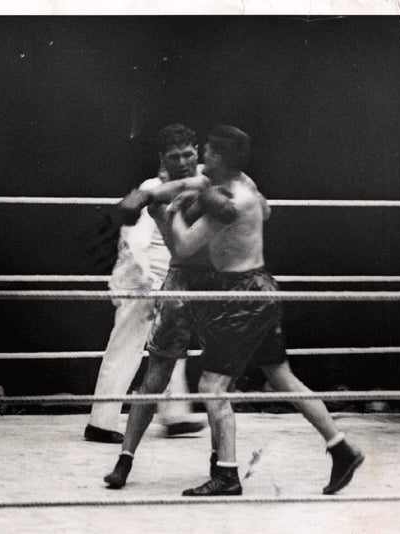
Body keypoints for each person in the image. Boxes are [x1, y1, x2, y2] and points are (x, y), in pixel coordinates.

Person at [105, 126, 364, 496]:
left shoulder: (231, 202)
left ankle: (226, 474)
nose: (197, 160)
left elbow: (182, 246)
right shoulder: (237, 184)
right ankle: (341, 447)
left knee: (212, 385)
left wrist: (168, 213)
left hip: (241, 297)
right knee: (281, 376)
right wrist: (148, 194)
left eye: (203, 153)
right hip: (254, 290)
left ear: (218, 157)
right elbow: (262, 209)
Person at [84, 124, 206, 443]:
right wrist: (152, 287)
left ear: (198, 150)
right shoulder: (151, 187)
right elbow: (134, 246)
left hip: (172, 279)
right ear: (162, 158)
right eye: (174, 156)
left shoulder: (199, 181)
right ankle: (101, 422)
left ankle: (176, 416)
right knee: (126, 346)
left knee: (169, 346)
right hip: (142, 281)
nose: (182, 161)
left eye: (188, 153)